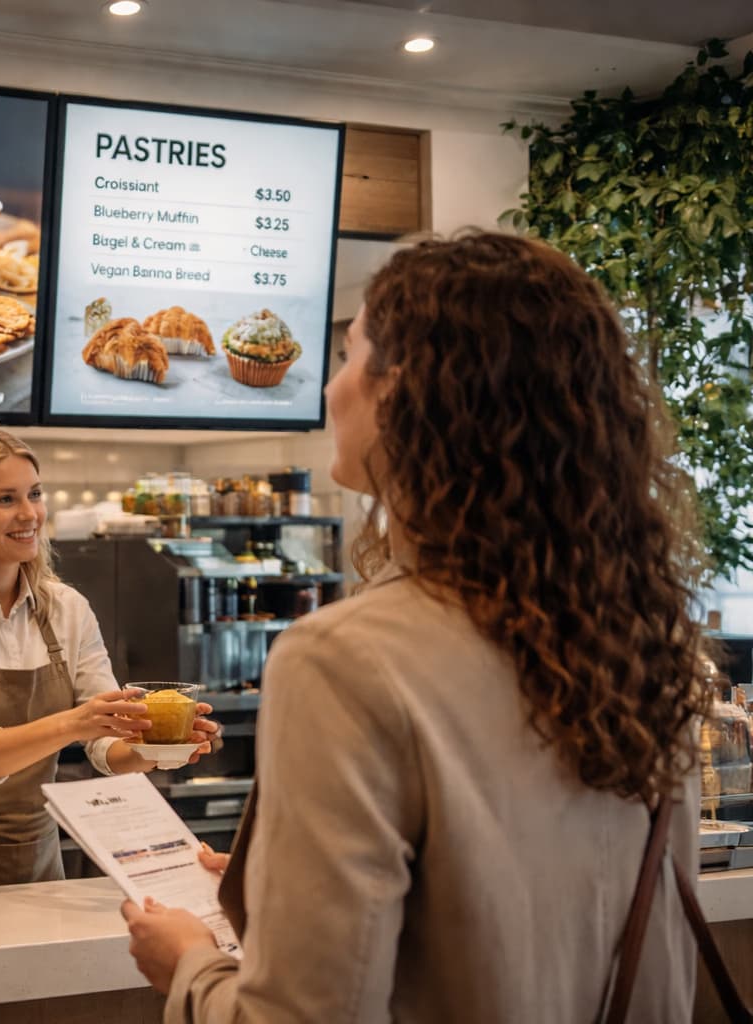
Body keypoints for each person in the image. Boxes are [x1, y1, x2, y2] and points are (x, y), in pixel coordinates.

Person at [122, 231, 706, 1021]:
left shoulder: (344, 660)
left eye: (347, 355)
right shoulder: (644, 642)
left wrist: (190, 965)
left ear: (404, 392)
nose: (330, 390)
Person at [0, 426, 219, 894]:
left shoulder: (66, 608)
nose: (30, 513)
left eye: (35, 493)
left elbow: (105, 747)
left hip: (35, 859)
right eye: (5, 499)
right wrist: (75, 724)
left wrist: (156, 750)